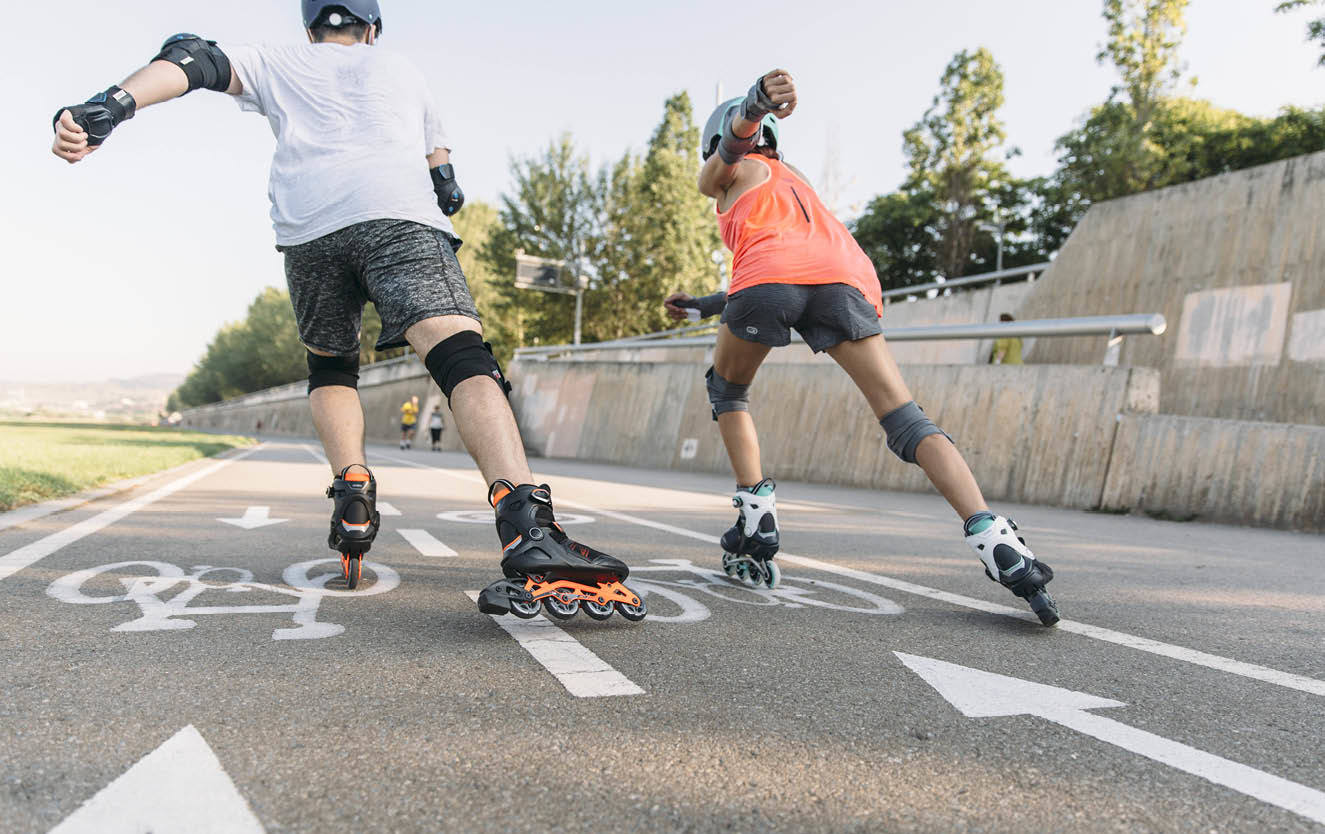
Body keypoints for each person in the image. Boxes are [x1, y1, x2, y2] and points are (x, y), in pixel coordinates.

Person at [51, 1, 644, 621]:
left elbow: (190, 60)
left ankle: (353, 495)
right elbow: (444, 176)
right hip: (397, 217)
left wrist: (110, 107)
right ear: (373, 27)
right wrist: (442, 187)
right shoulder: (403, 71)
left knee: (331, 366)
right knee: (460, 353)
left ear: (312, 27)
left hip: (309, 229)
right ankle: (526, 522)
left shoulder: (277, 60)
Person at [662, 70, 1058, 625]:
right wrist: (705, 305)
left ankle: (756, 514)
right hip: (845, 281)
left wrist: (750, 108)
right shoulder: (799, 184)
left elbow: (733, 177)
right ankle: (995, 538)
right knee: (907, 418)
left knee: (726, 389)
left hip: (768, 279)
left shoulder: (728, 173)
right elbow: (790, 261)